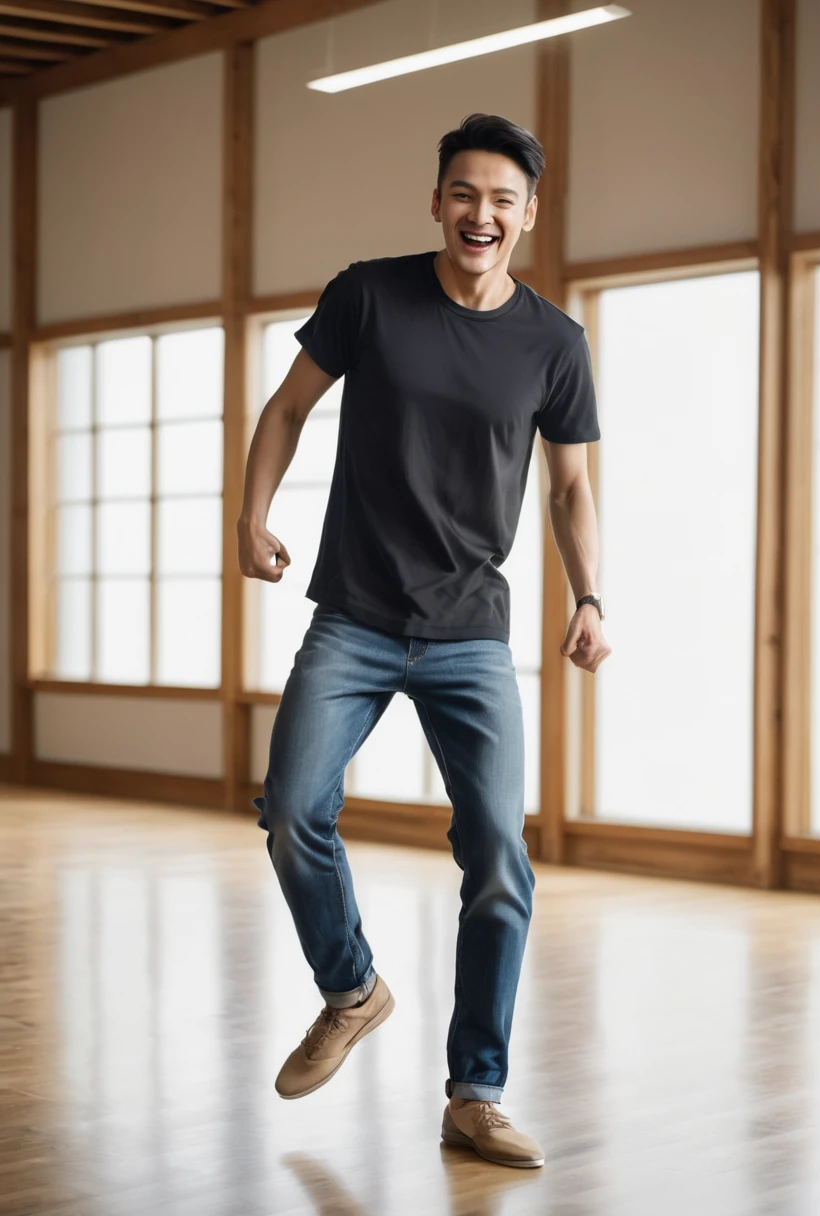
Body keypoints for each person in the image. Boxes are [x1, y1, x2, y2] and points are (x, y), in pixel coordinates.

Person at [238, 112, 611, 1171]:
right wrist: (250, 513)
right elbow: (286, 407)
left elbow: (573, 480)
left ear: (527, 215)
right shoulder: (368, 294)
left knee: (498, 856)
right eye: (462, 192)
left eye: (501, 199)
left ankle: (476, 1094)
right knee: (292, 811)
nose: (478, 213)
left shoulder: (554, 342)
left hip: (469, 636)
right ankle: (352, 990)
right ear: (435, 200)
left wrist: (590, 595)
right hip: (353, 615)